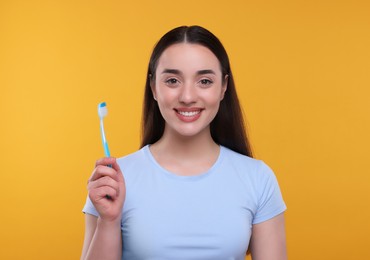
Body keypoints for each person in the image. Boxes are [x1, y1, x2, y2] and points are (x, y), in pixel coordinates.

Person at [81, 25, 287, 260]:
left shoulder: (258, 178)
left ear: (224, 87)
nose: (187, 97)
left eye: (205, 81)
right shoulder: (113, 181)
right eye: (172, 80)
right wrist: (109, 221)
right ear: (153, 87)